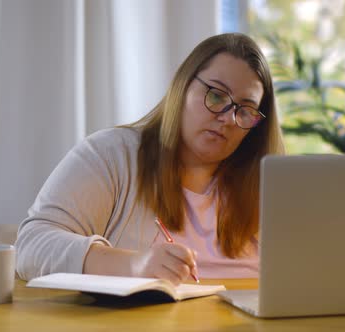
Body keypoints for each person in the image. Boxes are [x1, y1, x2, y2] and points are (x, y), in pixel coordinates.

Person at [15, 33, 285, 285]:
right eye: (216, 95)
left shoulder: (269, 186)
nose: (227, 118)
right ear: (182, 86)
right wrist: (134, 265)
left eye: (246, 110)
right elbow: (30, 248)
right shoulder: (112, 154)